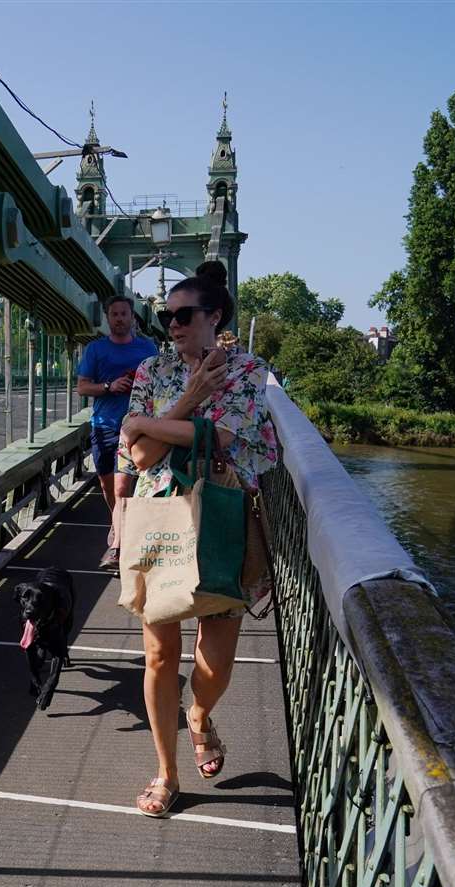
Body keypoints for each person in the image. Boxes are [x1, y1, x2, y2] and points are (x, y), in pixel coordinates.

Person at [118, 261, 277, 818]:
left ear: (215, 317)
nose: (173, 325)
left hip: (224, 517)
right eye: (167, 317)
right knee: (159, 656)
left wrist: (151, 426)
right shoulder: (153, 371)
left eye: (185, 315)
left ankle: (200, 715)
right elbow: (136, 456)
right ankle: (166, 774)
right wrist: (187, 400)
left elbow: (226, 437)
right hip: (160, 519)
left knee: (216, 661)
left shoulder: (248, 370)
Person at [76, 296, 157, 571]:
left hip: (138, 428)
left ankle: (119, 544)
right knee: (108, 486)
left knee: (123, 486)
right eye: (114, 314)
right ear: (108, 318)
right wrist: (110, 386)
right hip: (104, 425)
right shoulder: (95, 350)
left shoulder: (148, 348)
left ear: (133, 318)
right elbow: (83, 388)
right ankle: (117, 523)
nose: (119, 318)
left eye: (124, 313)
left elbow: (159, 384)